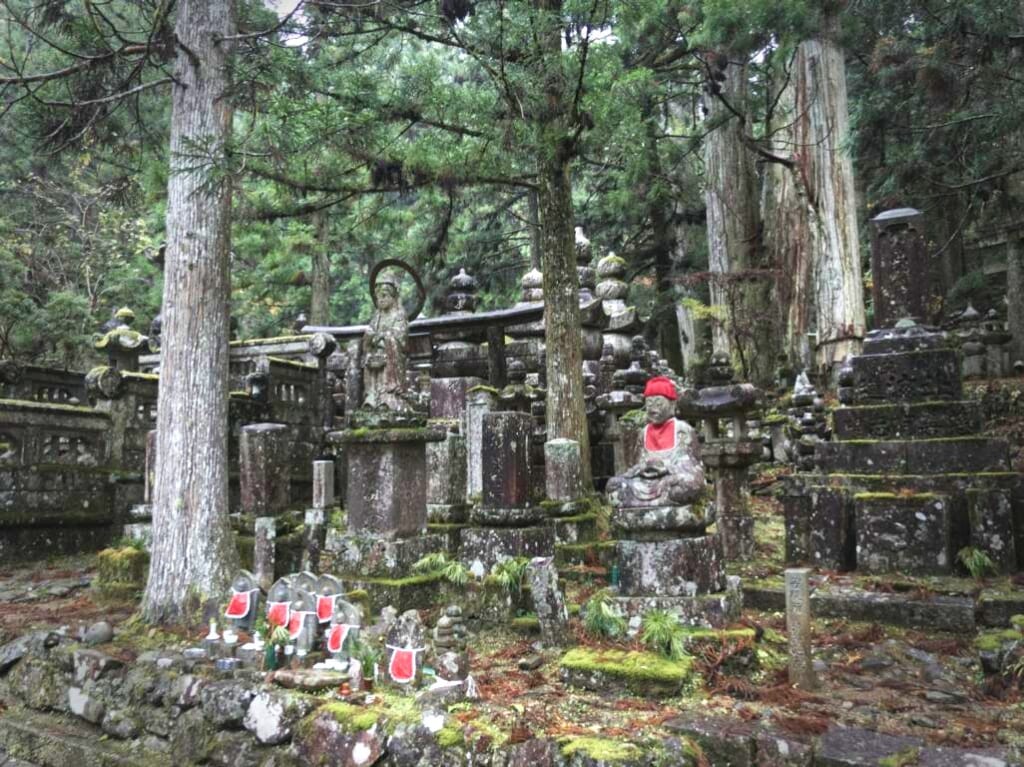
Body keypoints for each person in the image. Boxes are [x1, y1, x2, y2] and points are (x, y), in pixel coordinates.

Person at [606, 376, 705, 508]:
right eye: (649, 404)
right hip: (646, 483)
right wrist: (644, 468)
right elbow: (636, 464)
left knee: (690, 485)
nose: (653, 409)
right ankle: (654, 502)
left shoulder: (682, 430)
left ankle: (643, 504)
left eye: (658, 403)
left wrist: (665, 467)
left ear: (672, 404)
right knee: (614, 486)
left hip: (670, 480)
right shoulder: (643, 433)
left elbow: (692, 466)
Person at [361, 277, 409, 411]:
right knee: (367, 357)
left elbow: (400, 338)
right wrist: (371, 338)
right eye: (378, 297)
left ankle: (388, 396)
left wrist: (384, 337)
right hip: (376, 351)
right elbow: (370, 333)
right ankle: (371, 395)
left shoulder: (399, 315)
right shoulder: (377, 316)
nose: (380, 300)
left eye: (384, 296)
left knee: (389, 346)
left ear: (393, 297)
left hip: (392, 353)